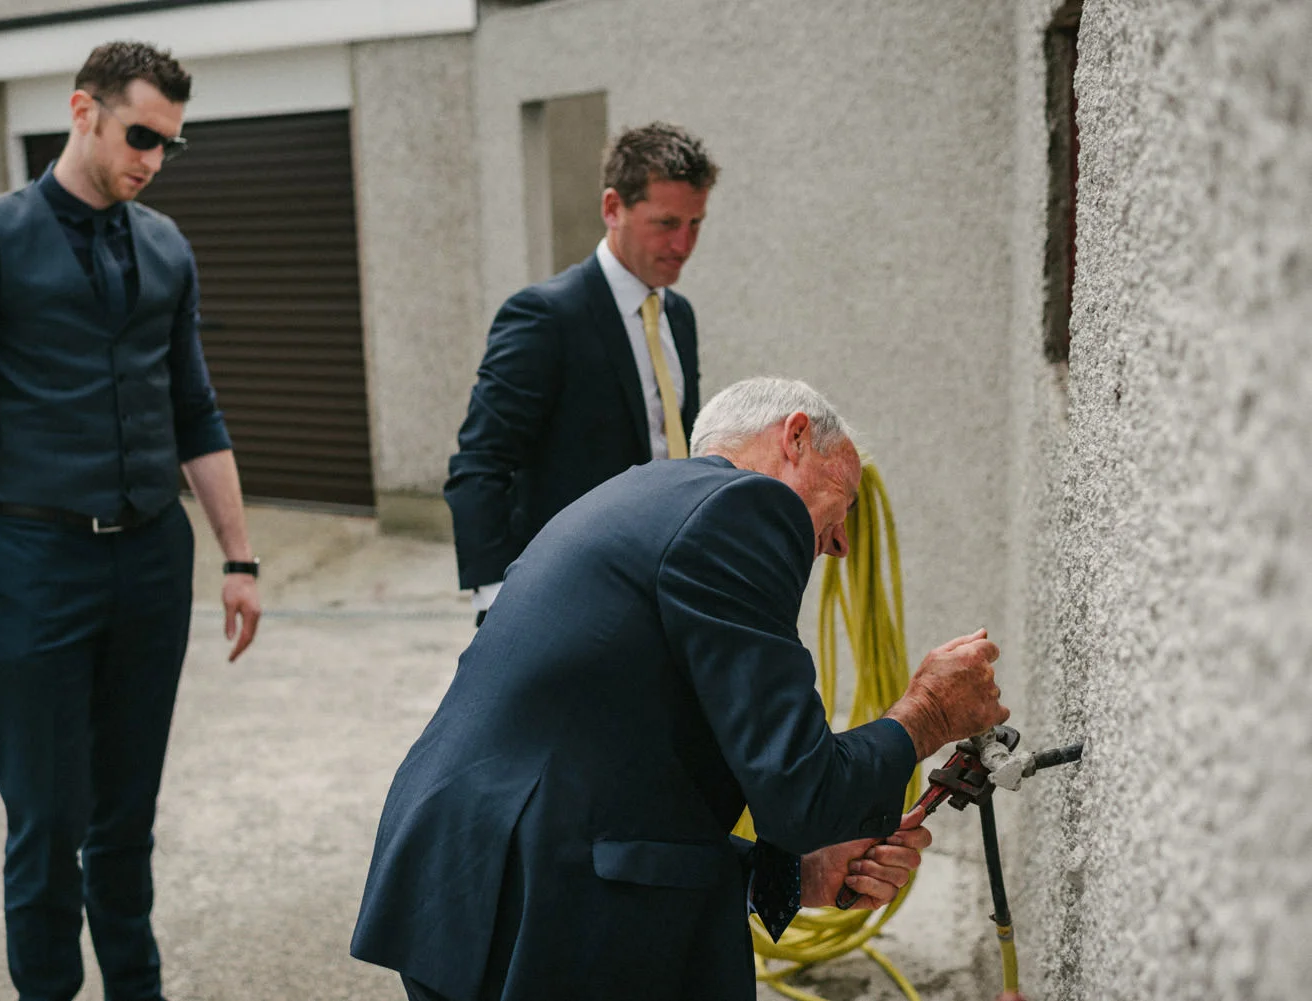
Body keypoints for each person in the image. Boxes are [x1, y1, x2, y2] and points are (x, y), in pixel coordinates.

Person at [352, 377, 1010, 1001]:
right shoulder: (746, 507)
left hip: (469, 877)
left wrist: (794, 873)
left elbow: (627, 781)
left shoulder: (647, 499)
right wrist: (927, 713)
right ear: (797, 437)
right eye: (844, 503)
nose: (839, 543)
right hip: (541, 902)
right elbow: (801, 792)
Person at [0, 41, 261, 1001]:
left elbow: (196, 410)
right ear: (83, 111)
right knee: (48, 821)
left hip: (150, 562)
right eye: (140, 134)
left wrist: (239, 554)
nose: (151, 158)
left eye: (168, 146)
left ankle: (138, 987)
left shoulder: (168, 246)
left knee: (126, 817)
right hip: (36, 560)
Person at [444, 122, 717, 623]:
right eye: (666, 223)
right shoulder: (545, 316)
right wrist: (497, 601)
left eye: (696, 223)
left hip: (669, 586)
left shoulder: (679, 316)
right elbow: (480, 464)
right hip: (568, 594)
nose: (683, 243)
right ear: (613, 208)